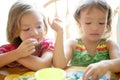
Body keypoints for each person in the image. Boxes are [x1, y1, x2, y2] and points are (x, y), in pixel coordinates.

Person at [49, 0, 120, 80]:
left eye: (101, 23)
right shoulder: (73, 44)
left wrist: (106, 64)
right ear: (79, 22)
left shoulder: (109, 44)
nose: (95, 28)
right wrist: (60, 32)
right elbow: (59, 65)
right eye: (88, 22)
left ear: (107, 22)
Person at [0, 0, 54, 71]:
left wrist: (18, 55)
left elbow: (43, 65)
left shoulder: (47, 44)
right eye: (26, 29)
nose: (34, 33)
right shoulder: (11, 48)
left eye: (39, 27)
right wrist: (17, 53)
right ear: (15, 31)